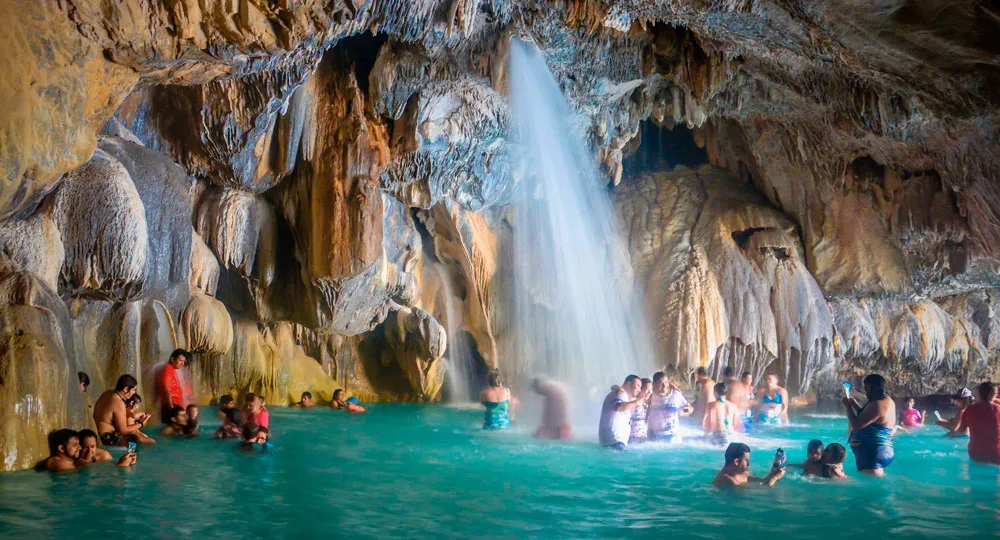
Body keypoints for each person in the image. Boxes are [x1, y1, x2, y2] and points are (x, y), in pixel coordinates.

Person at [844, 373, 896, 476]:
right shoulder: (886, 400)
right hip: (881, 450)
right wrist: (854, 404)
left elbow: (857, 425)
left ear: (875, 388)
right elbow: (867, 418)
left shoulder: (877, 405)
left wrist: (847, 407)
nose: (866, 393)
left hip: (872, 453)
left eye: (867, 389)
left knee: (870, 491)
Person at [40, 429, 134, 472]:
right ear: (61, 448)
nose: (80, 448)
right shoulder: (57, 462)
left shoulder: (72, 458)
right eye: (76, 445)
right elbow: (79, 470)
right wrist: (120, 466)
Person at [599, 375, 650, 450]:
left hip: (613, 440)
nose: (639, 389)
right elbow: (619, 407)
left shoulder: (624, 396)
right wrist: (636, 402)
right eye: (638, 386)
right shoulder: (620, 394)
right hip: (615, 441)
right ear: (629, 384)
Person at [93, 374, 147, 446]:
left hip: (98, 432)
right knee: (135, 440)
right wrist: (141, 424)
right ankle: (131, 456)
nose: (134, 393)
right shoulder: (119, 402)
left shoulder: (107, 393)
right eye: (134, 390)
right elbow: (124, 430)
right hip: (107, 437)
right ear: (126, 389)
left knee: (138, 436)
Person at [954, 382, 1000, 465]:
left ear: (979, 395)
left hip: (976, 455)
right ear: (994, 394)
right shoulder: (998, 408)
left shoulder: (969, 410)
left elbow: (961, 431)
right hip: (996, 454)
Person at [712, 443, 785, 488]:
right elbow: (763, 491)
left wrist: (776, 464)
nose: (749, 464)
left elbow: (763, 481)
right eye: (746, 460)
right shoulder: (727, 479)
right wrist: (775, 478)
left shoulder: (743, 473)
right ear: (737, 462)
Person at [647, 371, 692, 442]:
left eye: (666, 382)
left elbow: (690, 408)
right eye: (660, 383)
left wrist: (685, 411)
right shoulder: (649, 395)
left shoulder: (676, 394)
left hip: (673, 437)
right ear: (654, 384)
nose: (664, 386)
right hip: (654, 437)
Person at [702, 382, 743, 447]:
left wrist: (706, 435)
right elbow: (736, 424)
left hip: (719, 434)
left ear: (715, 393)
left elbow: (708, 422)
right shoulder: (733, 406)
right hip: (731, 434)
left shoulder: (712, 405)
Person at [156, 349, 193, 420]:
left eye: (183, 362)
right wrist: (171, 408)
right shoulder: (168, 370)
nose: (182, 364)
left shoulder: (171, 370)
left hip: (174, 407)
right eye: (180, 360)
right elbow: (166, 390)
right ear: (172, 359)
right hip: (172, 407)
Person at [629, 378, 653, 445]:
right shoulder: (631, 400)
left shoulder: (647, 402)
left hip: (643, 439)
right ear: (640, 389)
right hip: (630, 439)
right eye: (647, 389)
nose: (650, 392)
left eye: (651, 390)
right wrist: (618, 388)